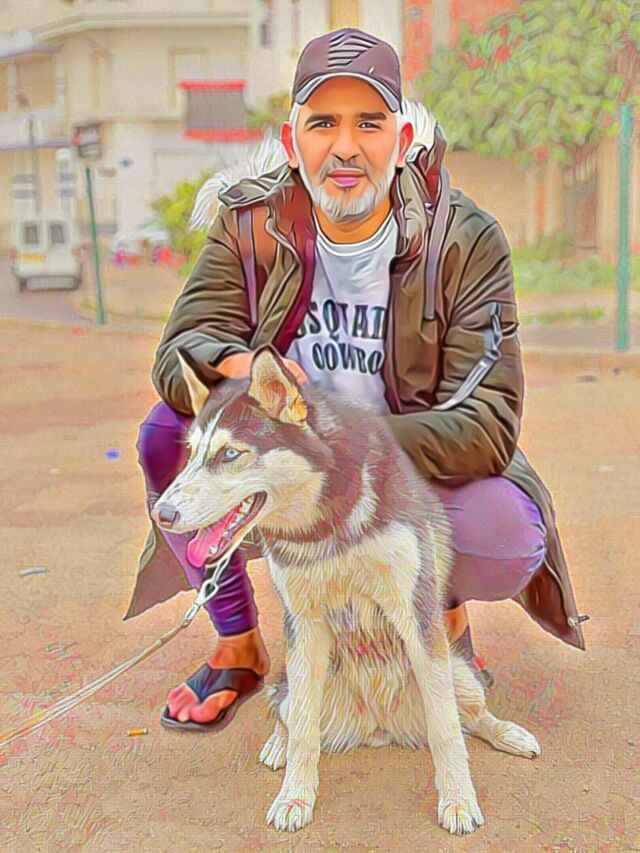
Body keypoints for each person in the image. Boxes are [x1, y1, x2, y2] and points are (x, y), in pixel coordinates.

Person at [124, 28, 588, 730]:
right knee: (168, 433)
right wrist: (242, 367)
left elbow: (488, 424)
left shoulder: (463, 239)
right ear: (292, 141)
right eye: (324, 124)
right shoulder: (250, 226)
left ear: (401, 140)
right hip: (288, 465)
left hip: (405, 468)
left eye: (369, 123)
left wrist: (341, 444)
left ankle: (440, 615)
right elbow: (180, 350)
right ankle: (238, 643)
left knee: (504, 531)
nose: (345, 147)